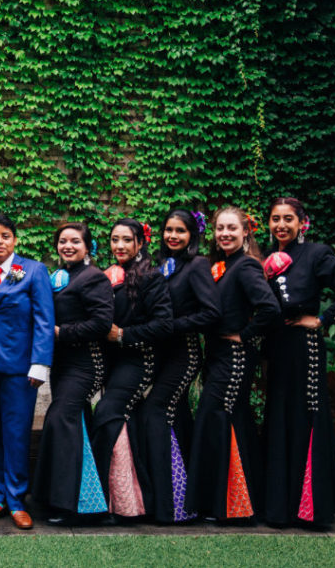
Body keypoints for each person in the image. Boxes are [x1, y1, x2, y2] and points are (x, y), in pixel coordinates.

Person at [262, 197, 335, 528]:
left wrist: (321, 319)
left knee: (305, 419)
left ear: (301, 223)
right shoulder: (263, 259)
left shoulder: (317, 254)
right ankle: (279, 508)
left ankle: (309, 508)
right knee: (279, 418)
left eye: (288, 219)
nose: (281, 225)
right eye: (275, 219)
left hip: (304, 350)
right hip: (276, 351)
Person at [184, 207, 279, 523]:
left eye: (231, 228)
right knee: (230, 419)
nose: (224, 233)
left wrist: (245, 335)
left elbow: (269, 309)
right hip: (218, 355)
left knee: (219, 416)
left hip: (234, 356)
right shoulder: (223, 266)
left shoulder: (247, 266)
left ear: (245, 232)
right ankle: (239, 503)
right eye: (219, 228)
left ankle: (232, 506)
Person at [0, 213, 54, 530]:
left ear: (14, 240)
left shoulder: (32, 271)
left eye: (5, 235)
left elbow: (44, 319)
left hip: (20, 368)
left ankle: (17, 500)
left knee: (16, 434)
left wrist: (40, 363)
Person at [133, 209, 219, 523]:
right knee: (177, 416)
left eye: (180, 231)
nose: (173, 236)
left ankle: (173, 504)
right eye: (169, 230)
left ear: (192, 235)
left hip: (184, 354)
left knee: (156, 411)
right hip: (160, 354)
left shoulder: (196, 265)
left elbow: (212, 313)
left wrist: (171, 325)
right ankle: (186, 499)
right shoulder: (159, 265)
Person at [89, 218, 173, 523]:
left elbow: (164, 325)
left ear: (140, 243)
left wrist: (123, 335)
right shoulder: (107, 276)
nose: (119, 246)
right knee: (122, 420)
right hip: (113, 362)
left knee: (107, 414)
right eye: (114, 240)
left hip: (139, 360)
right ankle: (127, 503)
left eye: (126, 240)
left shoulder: (152, 277)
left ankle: (101, 503)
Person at [34, 222, 114, 526]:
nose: (67, 246)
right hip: (64, 365)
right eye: (63, 241)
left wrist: (60, 332)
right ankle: (88, 502)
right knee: (76, 423)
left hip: (86, 363)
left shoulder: (94, 278)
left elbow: (102, 323)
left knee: (60, 418)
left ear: (88, 247)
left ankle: (66, 503)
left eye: (75, 241)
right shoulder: (58, 277)